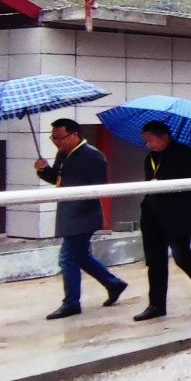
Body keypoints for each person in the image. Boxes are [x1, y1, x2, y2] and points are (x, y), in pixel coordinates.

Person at [34, 117, 127, 319]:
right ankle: (114, 284)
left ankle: (71, 303)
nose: (56, 142)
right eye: (53, 138)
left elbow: (99, 187)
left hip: (84, 215)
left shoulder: (92, 156)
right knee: (81, 257)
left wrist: (77, 202)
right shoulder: (63, 154)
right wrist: (43, 170)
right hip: (67, 213)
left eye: (60, 137)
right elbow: (57, 179)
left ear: (75, 135)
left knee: (67, 259)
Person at [134, 120, 191, 320]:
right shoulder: (151, 158)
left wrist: (164, 182)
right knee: (154, 260)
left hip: (178, 215)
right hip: (152, 215)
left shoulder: (188, 155)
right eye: (146, 141)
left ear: (164, 137)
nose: (148, 145)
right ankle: (156, 305)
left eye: (151, 140)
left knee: (181, 255)